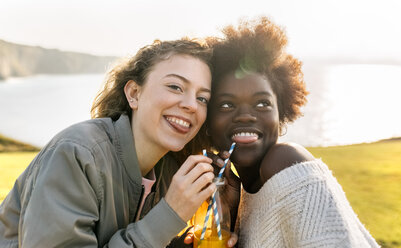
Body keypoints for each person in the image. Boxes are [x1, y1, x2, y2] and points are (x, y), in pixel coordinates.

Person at [0, 38, 236, 248]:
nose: (191, 105)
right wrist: (169, 215)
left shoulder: (170, 173)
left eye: (202, 98)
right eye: (175, 87)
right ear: (134, 93)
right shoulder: (77, 155)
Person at [206, 17, 380, 247]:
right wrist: (229, 218)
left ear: (281, 112)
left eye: (262, 104)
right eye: (226, 105)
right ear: (207, 119)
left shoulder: (285, 163)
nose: (245, 116)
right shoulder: (239, 192)